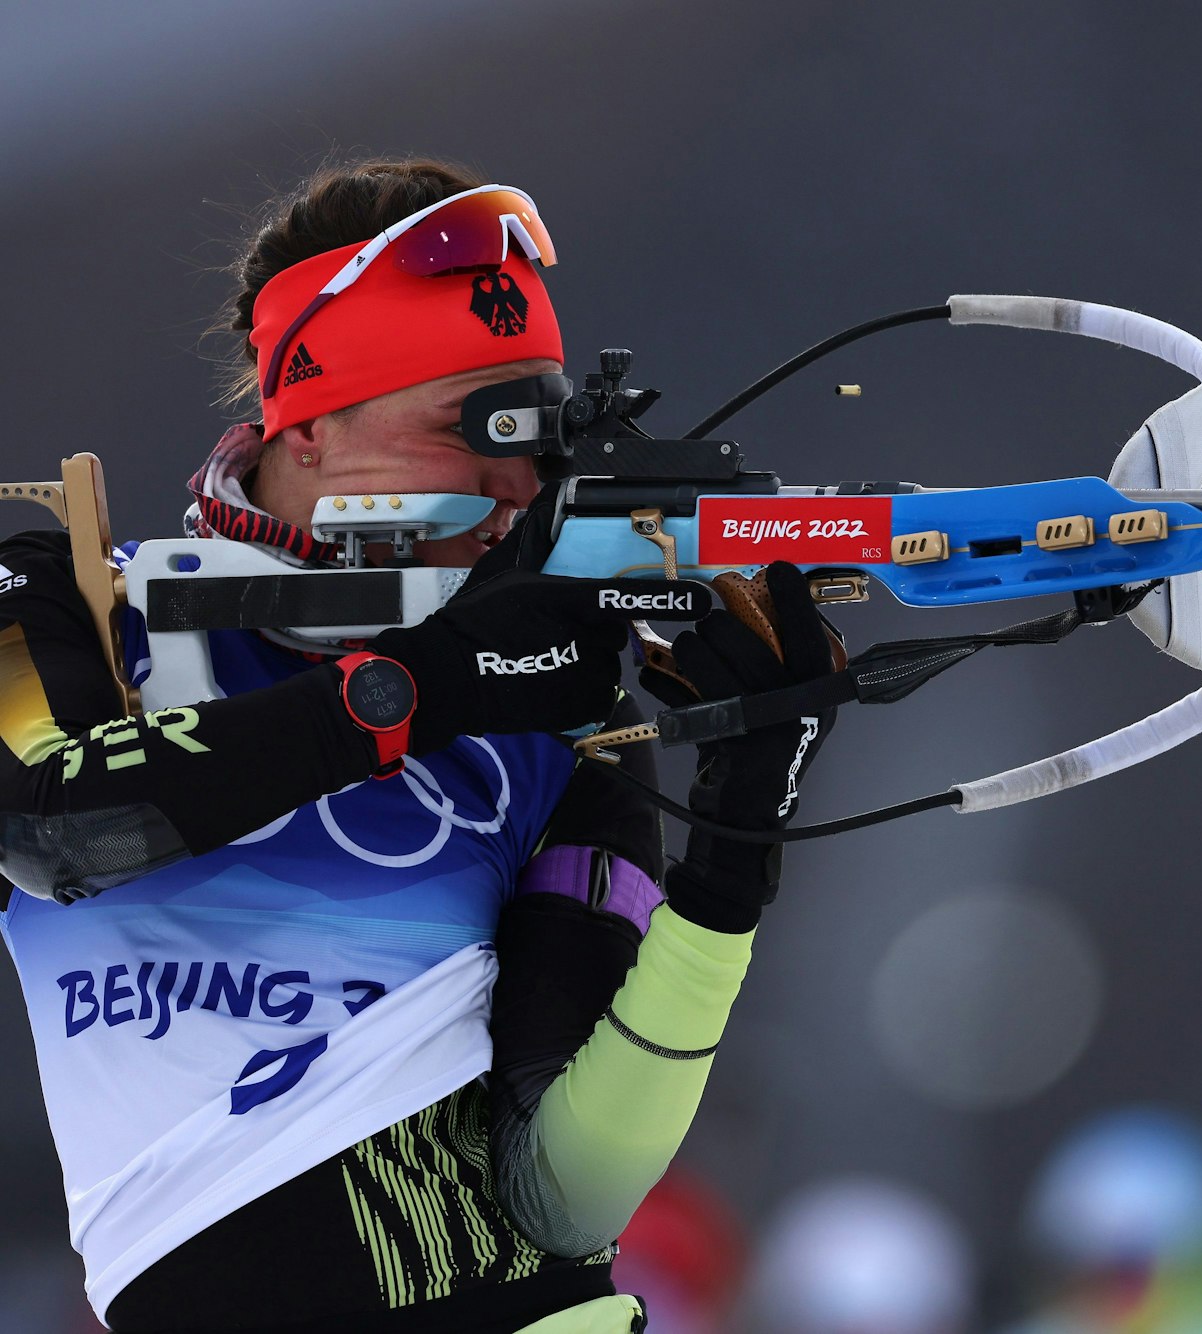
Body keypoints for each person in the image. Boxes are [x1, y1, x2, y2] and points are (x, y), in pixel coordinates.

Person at [0, 158, 836, 1333]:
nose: (517, 485)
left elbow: (568, 1194)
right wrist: (428, 683)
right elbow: (55, 817)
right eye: (473, 428)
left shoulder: (559, 701)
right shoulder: (65, 606)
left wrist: (735, 847)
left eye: (542, 438)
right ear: (312, 421)